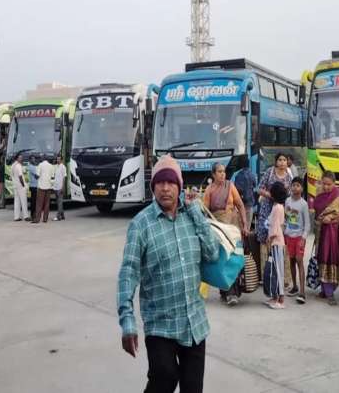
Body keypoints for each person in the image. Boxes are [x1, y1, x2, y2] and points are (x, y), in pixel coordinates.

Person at [117, 155, 219, 393]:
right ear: (153, 187)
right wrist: (127, 321)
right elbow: (128, 273)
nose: (165, 188)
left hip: (194, 323)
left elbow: (212, 254)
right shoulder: (141, 225)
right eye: (159, 183)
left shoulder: (191, 216)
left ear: (179, 186)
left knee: (192, 388)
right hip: (160, 324)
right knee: (164, 377)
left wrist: (196, 212)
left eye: (171, 183)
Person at [203, 162, 248, 306]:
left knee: (234, 259)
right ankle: (227, 292)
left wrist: (245, 224)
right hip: (219, 231)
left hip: (233, 228)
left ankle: (233, 292)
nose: (223, 174)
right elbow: (205, 212)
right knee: (223, 260)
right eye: (220, 172)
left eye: (224, 171)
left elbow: (240, 205)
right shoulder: (209, 190)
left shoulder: (230, 186)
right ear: (213, 174)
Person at [312, 171, 339, 306]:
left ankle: (330, 291)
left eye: (329, 184)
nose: (326, 187)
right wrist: (321, 219)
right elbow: (316, 214)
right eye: (324, 184)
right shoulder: (319, 194)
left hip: (333, 233)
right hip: (321, 232)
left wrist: (332, 218)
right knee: (322, 258)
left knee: (332, 258)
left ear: (334, 183)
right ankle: (324, 289)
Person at [256, 153, 292, 280]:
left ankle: (282, 276)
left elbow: (291, 194)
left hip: (281, 209)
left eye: (284, 160)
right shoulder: (269, 172)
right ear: (276, 161)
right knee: (265, 238)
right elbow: (259, 189)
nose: (282, 162)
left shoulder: (289, 175)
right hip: (267, 209)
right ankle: (267, 275)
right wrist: (269, 195)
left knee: (279, 239)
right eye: (280, 160)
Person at [284, 177, 310, 304]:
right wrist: (284, 232)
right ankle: (294, 286)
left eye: (298, 185)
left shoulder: (303, 204)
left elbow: (307, 225)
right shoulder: (287, 201)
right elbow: (286, 218)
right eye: (293, 185)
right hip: (289, 236)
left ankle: (302, 292)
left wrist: (303, 238)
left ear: (302, 188)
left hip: (299, 237)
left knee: (299, 261)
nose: (295, 187)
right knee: (291, 261)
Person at [265, 181, 287, 310]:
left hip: (277, 242)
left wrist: (270, 237)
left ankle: (280, 299)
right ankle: (275, 297)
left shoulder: (277, 208)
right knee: (274, 270)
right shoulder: (278, 207)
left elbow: (276, 227)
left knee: (278, 271)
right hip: (276, 242)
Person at [33, 156, 54, 224]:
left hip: (41, 187)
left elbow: (37, 176)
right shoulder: (51, 166)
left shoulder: (40, 165)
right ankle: (45, 219)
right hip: (48, 187)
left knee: (39, 204)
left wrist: (35, 175)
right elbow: (52, 177)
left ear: (42, 159)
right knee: (47, 204)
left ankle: (37, 219)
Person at [11, 154, 30, 221]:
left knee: (17, 201)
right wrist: (23, 185)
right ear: (17, 158)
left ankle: (16, 217)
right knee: (24, 201)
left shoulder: (13, 165)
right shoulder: (18, 166)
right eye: (20, 158)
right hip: (20, 185)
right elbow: (20, 176)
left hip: (15, 185)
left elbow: (12, 176)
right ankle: (26, 216)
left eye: (21, 158)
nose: (21, 159)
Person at [52, 155, 67, 221]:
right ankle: (62, 215)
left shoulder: (63, 167)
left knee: (60, 202)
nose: (57, 160)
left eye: (59, 159)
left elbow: (64, 178)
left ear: (61, 160)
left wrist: (62, 187)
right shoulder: (56, 166)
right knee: (58, 202)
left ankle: (58, 216)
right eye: (57, 159)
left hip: (60, 187)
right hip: (55, 187)